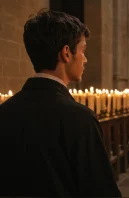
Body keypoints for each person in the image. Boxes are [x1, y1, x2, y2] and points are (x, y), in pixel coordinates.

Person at [0, 9, 122, 197]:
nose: (86, 59)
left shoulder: (4, 112)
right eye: (83, 50)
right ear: (66, 53)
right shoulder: (80, 119)